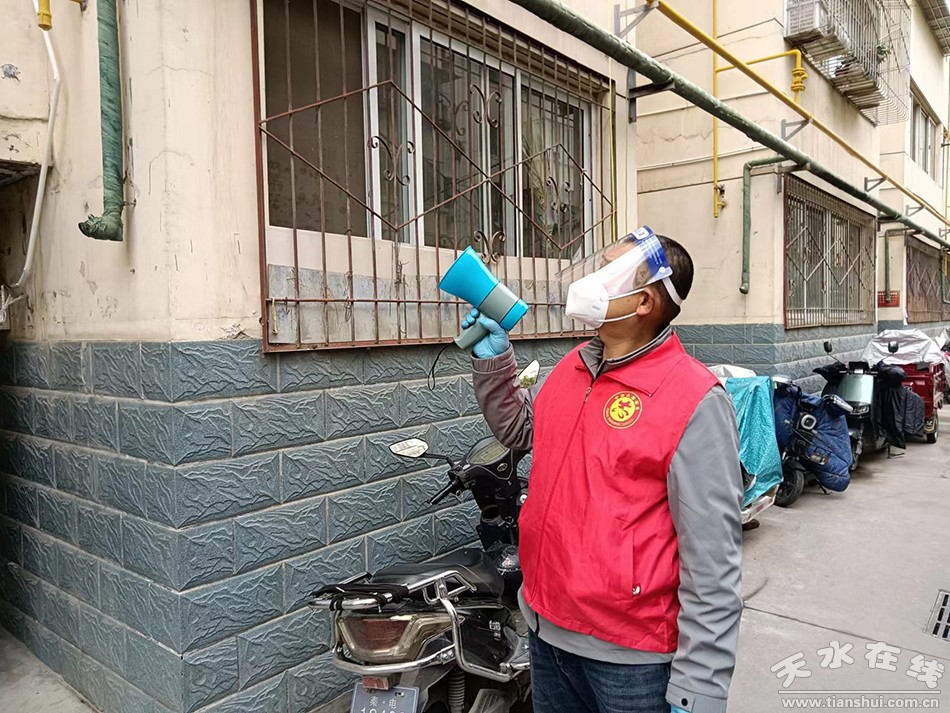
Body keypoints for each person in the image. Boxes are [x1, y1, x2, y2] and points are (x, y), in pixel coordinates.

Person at [466, 227, 743, 713]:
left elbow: (713, 558)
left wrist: (699, 685)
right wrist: (496, 365)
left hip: (631, 659)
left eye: (608, 272)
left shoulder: (693, 399)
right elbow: (523, 432)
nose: (590, 280)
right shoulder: (574, 365)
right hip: (546, 630)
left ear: (645, 302)